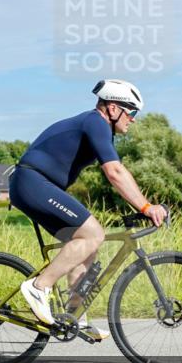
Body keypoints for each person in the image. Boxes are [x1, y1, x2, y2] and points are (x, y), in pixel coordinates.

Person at [10, 79, 168, 341]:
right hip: (32, 182)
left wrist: (142, 205)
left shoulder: (98, 128)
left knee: (88, 247)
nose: (134, 119)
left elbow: (118, 172)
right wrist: (147, 206)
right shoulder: (96, 122)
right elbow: (114, 172)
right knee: (93, 233)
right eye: (132, 112)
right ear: (113, 108)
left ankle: (74, 315)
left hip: (37, 184)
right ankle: (39, 287)